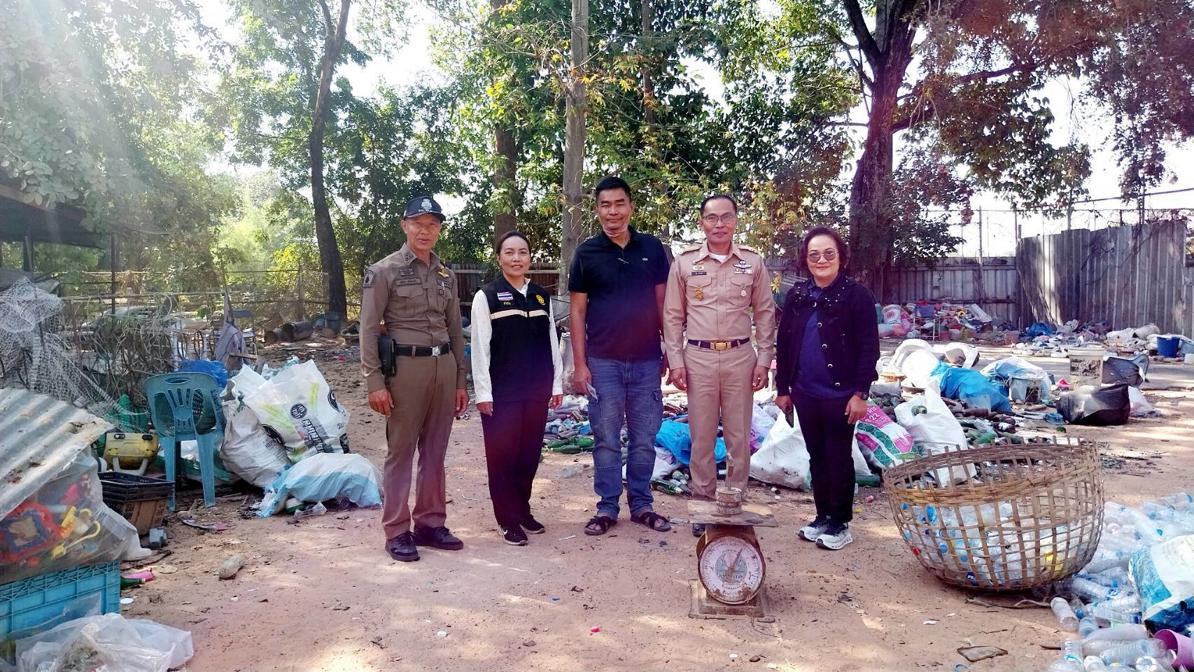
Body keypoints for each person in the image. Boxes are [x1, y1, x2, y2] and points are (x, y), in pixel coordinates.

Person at [360, 195, 469, 562]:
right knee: (401, 451)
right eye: (418, 223)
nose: (425, 231)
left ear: (439, 230)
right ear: (404, 225)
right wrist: (374, 382)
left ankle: (430, 523)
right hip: (405, 370)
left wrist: (460, 381)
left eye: (432, 225)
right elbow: (368, 329)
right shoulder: (383, 271)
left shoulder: (446, 275)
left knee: (436, 452)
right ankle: (396, 530)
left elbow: (455, 330)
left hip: (444, 368)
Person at [663, 194, 777, 537]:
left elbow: (765, 313)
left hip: (740, 357)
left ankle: (734, 504)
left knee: (739, 435)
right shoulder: (684, 264)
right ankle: (703, 503)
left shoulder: (752, 263)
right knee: (701, 435)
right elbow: (672, 316)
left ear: (736, 221)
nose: (719, 224)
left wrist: (764, 359)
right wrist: (676, 361)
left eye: (726, 217)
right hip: (698, 357)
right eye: (712, 218)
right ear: (702, 223)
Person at [568, 175, 672, 536]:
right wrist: (580, 364)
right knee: (607, 439)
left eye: (619, 203)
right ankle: (607, 507)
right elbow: (577, 312)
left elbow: (664, 306)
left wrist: (670, 351)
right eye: (605, 205)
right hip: (603, 363)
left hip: (646, 362)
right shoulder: (586, 254)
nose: (613, 212)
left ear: (631, 206)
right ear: (597, 210)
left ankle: (642, 505)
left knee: (645, 438)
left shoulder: (652, 249)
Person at [774, 226, 879, 551]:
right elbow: (784, 342)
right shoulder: (798, 295)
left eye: (828, 254)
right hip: (804, 391)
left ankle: (840, 523)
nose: (821, 260)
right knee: (816, 455)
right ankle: (822, 516)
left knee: (838, 456)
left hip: (841, 394)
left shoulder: (856, 295)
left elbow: (869, 347)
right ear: (806, 260)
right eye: (814, 255)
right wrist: (783, 388)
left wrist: (861, 393)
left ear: (841, 257)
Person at [470, 231, 564, 546]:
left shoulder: (540, 296)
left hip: (536, 391)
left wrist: (555, 384)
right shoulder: (487, 296)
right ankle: (507, 520)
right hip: (502, 394)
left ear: (530, 257)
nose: (516, 258)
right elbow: (480, 349)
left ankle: (522, 510)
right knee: (503, 458)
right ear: (499, 258)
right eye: (509, 252)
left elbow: (552, 342)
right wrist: (483, 393)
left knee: (528, 455)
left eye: (522, 252)